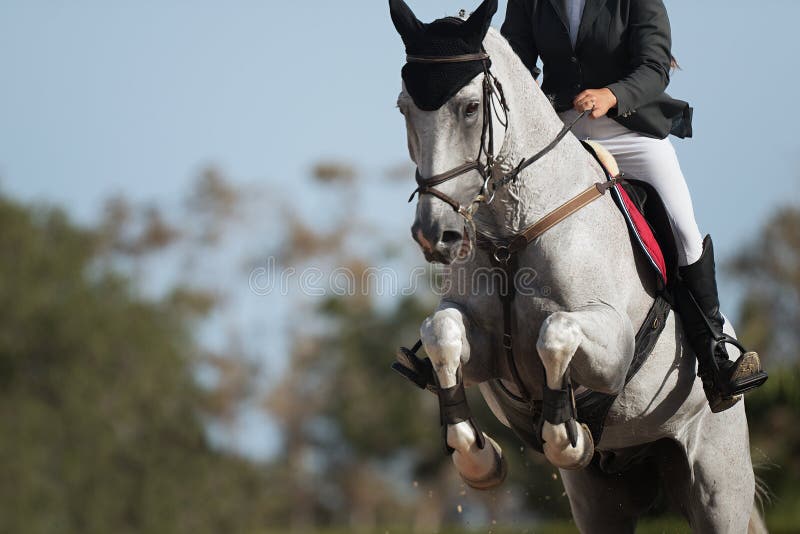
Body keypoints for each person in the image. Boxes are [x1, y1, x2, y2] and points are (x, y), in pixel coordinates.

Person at [501, 0, 767, 412]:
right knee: (502, 206)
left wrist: (611, 94)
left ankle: (717, 356)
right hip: (561, 134)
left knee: (682, 228)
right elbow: (514, 57)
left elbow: (655, 67)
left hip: (630, 132)